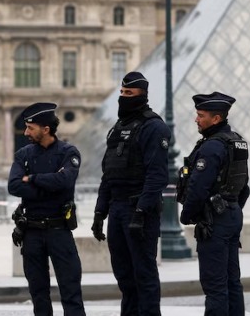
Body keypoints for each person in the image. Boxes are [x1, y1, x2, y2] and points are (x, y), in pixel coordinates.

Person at [91, 72, 170, 316]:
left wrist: (141, 211)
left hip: (139, 210)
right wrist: (99, 212)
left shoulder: (154, 127)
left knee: (144, 275)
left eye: (129, 94)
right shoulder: (117, 129)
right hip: (116, 209)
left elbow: (157, 176)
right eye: (122, 93)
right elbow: (108, 175)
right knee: (124, 277)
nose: (123, 98)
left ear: (142, 96)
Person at [9, 102, 86, 316]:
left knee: (71, 292)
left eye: (30, 128)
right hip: (31, 231)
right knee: (38, 293)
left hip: (59, 230)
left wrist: (32, 179)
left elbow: (65, 181)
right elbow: (14, 186)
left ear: (46, 129)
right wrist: (50, 185)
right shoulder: (23, 154)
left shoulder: (68, 152)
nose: (25, 132)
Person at [178, 92, 250, 316]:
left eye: (201, 115)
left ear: (216, 119)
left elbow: (198, 188)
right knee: (232, 282)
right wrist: (231, 207)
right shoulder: (237, 142)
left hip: (214, 220)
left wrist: (187, 215)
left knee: (215, 286)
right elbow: (244, 186)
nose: (196, 119)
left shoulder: (211, 148)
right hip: (232, 214)